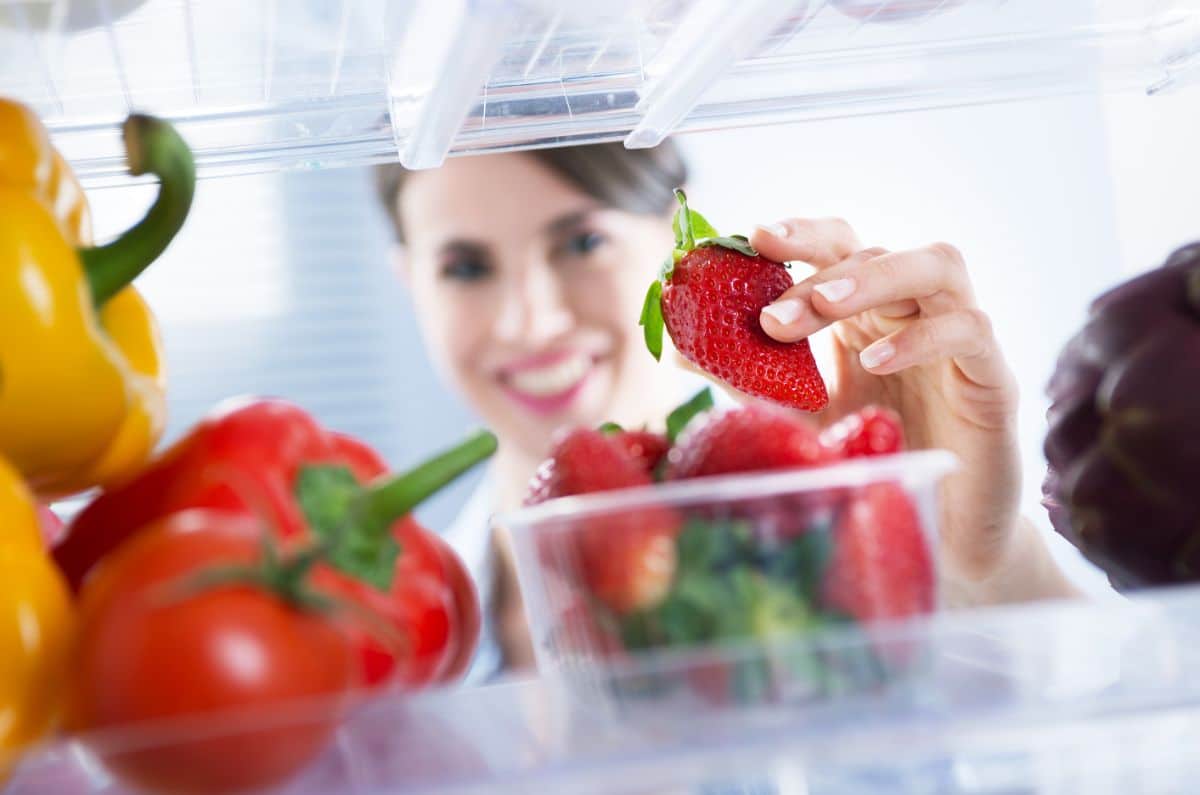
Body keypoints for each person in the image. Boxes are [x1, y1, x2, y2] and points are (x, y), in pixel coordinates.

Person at [374, 141, 1080, 683]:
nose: (533, 320)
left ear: (666, 237)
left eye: (584, 242)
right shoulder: (381, 636)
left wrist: (969, 570)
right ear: (409, 284)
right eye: (464, 267)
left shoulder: (845, 520)